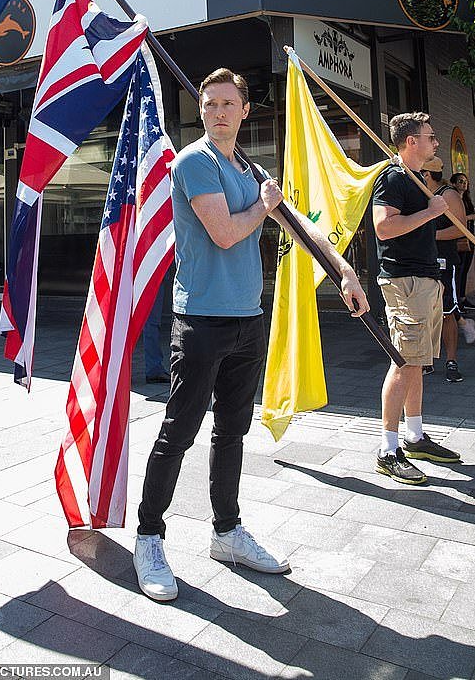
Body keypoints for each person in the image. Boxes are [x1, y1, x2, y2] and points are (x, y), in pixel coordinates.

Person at [133, 67, 369, 601]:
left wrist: (345, 271)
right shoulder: (194, 162)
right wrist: (264, 204)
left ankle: (227, 532)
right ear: (202, 110)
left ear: (244, 111)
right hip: (201, 321)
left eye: (227, 103)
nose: (217, 111)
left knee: (232, 431)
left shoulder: (249, 167)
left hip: (247, 319)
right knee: (180, 430)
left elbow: (298, 224)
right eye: (208, 102)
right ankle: (149, 536)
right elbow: (224, 232)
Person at [372, 113, 462, 486]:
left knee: (419, 363)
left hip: (424, 279)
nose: (436, 143)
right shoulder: (392, 178)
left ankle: (415, 436)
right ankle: (388, 450)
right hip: (404, 281)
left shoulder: (416, 179)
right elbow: (383, 226)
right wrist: (429, 213)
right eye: (430, 137)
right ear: (411, 141)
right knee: (405, 361)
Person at [420, 159, 475, 383]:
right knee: (424, 313)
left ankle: (451, 360)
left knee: (446, 312)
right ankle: (426, 360)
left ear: (427, 174)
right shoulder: (420, 192)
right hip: (422, 261)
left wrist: (431, 236)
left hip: (443, 260)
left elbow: (461, 228)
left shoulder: (448, 194)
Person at [449, 173, 475, 311]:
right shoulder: (452, 198)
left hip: (469, 237)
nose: (463, 184)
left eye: (465, 182)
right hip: (457, 239)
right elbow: (455, 218)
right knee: (458, 270)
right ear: (454, 184)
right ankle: (456, 301)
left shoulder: (466, 199)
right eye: (461, 181)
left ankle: (462, 297)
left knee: (465, 269)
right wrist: (471, 217)